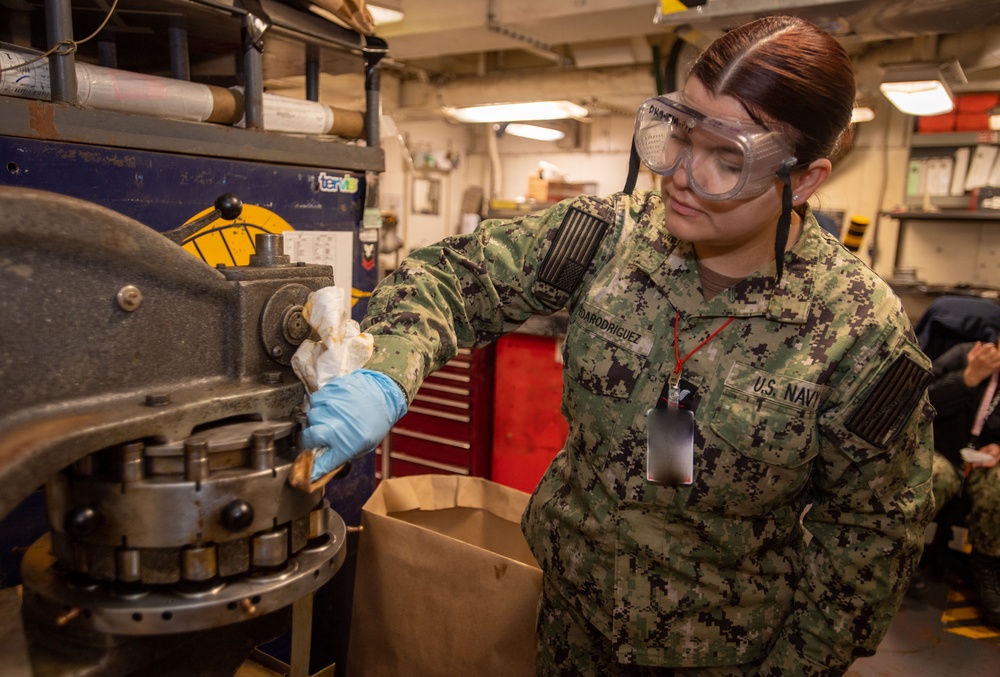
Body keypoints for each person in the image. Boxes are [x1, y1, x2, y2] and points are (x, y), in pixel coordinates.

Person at [301, 15, 935, 676]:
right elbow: (453, 278)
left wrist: (795, 668)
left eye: (727, 158)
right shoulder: (608, 238)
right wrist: (389, 374)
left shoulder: (857, 330)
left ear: (801, 180)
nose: (681, 175)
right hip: (563, 628)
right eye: (680, 133)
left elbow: (873, 530)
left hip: (723, 654)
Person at [924, 338, 1000, 625]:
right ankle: (907, 552)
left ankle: (987, 563)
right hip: (943, 452)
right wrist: (968, 378)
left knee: (998, 486)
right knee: (931, 476)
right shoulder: (964, 355)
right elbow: (920, 403)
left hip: (986, 464)